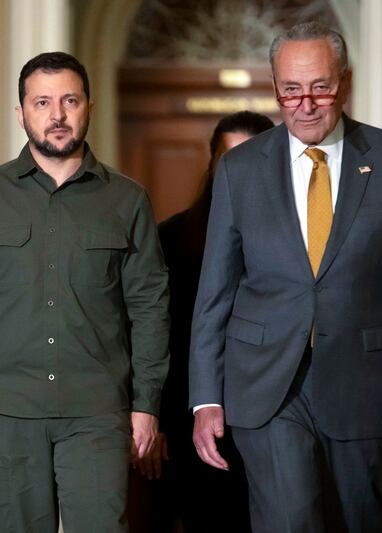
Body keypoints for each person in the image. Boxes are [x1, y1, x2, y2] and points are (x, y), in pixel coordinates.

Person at [189, 21, 382, 533]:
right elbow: (215, 292)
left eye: (320, 86)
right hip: (266, 385)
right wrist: (206, 397)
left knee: (356, 522)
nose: (306, 103)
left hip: (364, 382)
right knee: (289, 521)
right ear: (276, 89)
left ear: (345, 82)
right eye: (291, 89)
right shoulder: (240, 169)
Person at [0, 51, 170, 532]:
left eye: (70, 100)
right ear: (21, 112)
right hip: (8, 411)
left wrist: (146, 404)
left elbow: (149, 307)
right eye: (42, 102)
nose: (57, 115)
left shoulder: (127, 199)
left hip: (98, 410)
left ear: (88, 107)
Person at [132, 111, 273, 533]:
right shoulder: (173, 239)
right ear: (213, 166)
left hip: (271, 419)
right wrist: (152, 418)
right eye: (231, 159)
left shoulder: (297, 243)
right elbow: (155, 333)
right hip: (187, 421)